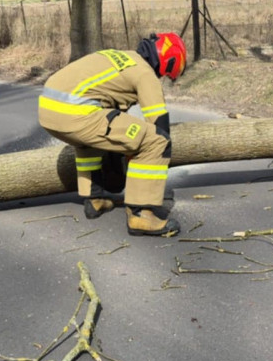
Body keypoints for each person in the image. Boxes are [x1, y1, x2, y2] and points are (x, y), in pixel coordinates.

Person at [38, 33, 187, 236]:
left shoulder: (121, 57)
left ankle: (94, 198)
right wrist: (141, 152)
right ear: (168, 61)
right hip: (76, 114)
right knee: (155, 141)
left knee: (90, 138)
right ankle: (140, 214)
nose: (165, 78)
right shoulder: (144, 73)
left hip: (48, 111)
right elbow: (160, 125)